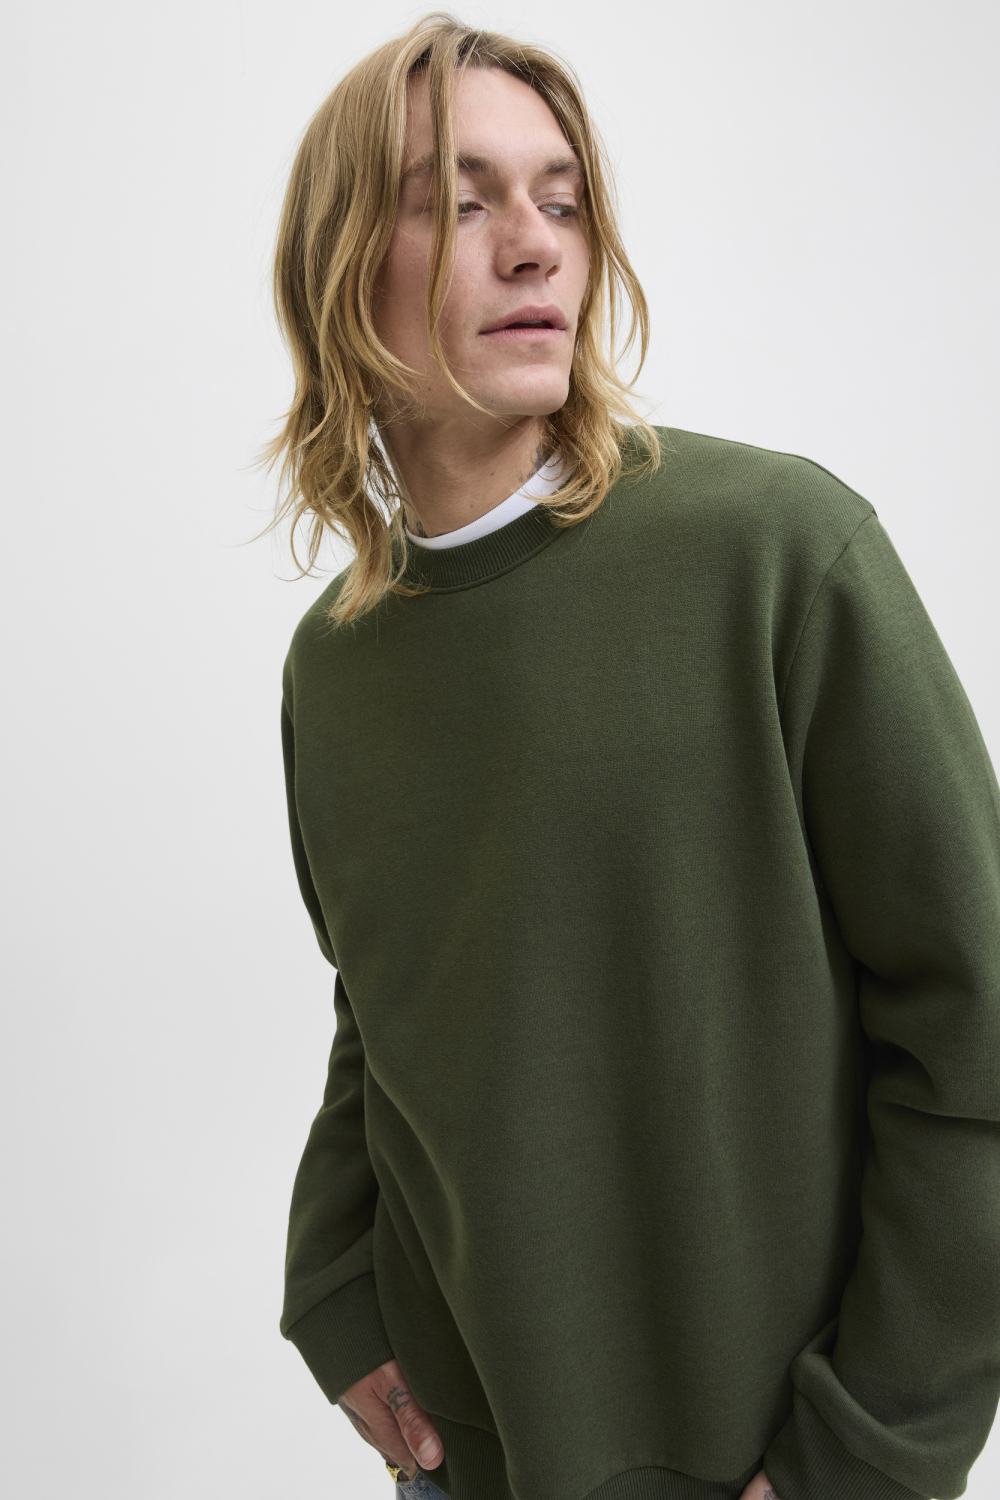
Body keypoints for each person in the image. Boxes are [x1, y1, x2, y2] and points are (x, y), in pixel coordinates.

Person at [266, 13, 1000, 1500]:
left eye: (562, 198)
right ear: (339, 265)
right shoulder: (337, 667)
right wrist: (335, 1287)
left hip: (765, 1463)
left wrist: (868, 1448)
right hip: (466, 1461)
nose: (534, 244)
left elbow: (979, 1018)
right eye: (456, 201)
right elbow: (387, 1008)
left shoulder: (777, 552)